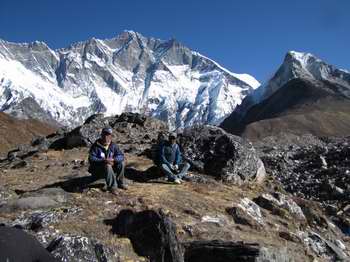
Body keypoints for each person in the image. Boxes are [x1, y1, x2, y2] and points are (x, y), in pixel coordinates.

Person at [88, 127, 127, 194]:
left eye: (108, 135)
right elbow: (91, 158)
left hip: (110, 168)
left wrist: (113, 160)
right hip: (98, 170)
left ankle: (120, 183)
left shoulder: (113, 145)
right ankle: (113, 187)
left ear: (111, 136)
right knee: (107, 166)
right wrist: (103, 161)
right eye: (104, 134)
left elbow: (121, 156)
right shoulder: (95, 146)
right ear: (101, 135)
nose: (106, 137)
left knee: (121, 163)